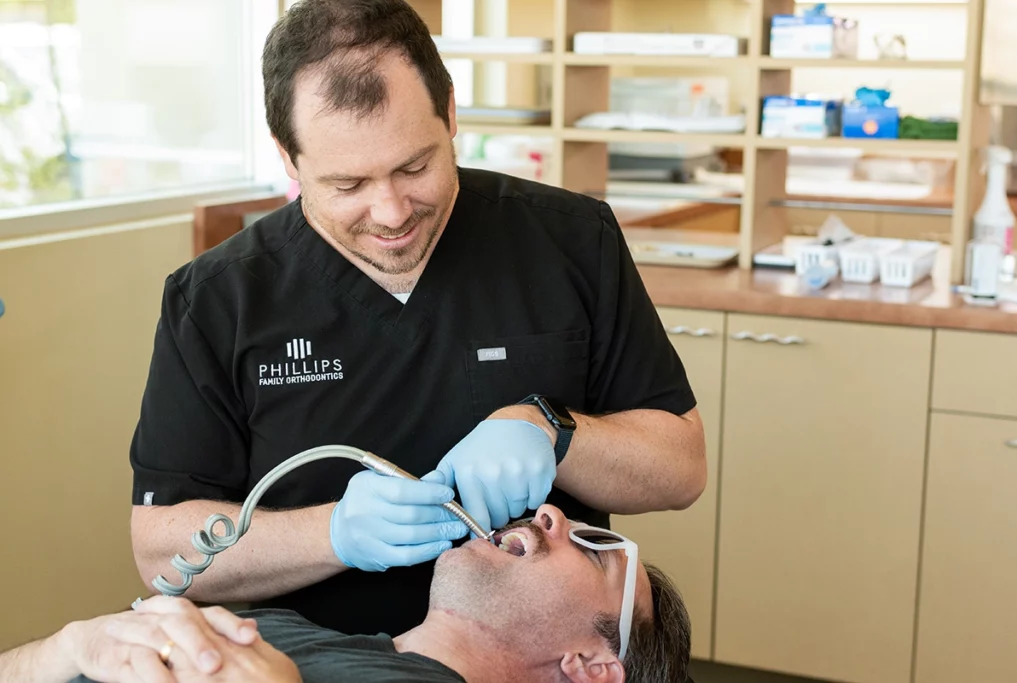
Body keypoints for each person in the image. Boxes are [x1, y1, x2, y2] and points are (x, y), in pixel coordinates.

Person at [129, 0, 706, 639]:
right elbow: (161, 553)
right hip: (312, 665)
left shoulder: (568, 240)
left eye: (415, 166)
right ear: (289, 159)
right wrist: (332, 535)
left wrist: (553, 431)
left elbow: (680, 468)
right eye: (347, 185)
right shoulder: (216, 298)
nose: (390, 212)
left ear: (451, 113)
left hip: (533, 659)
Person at [2, 506, 692, 683]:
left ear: (591, 665)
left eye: (603, 557)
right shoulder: (268, 623)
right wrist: (59, 650)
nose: (553, 516)